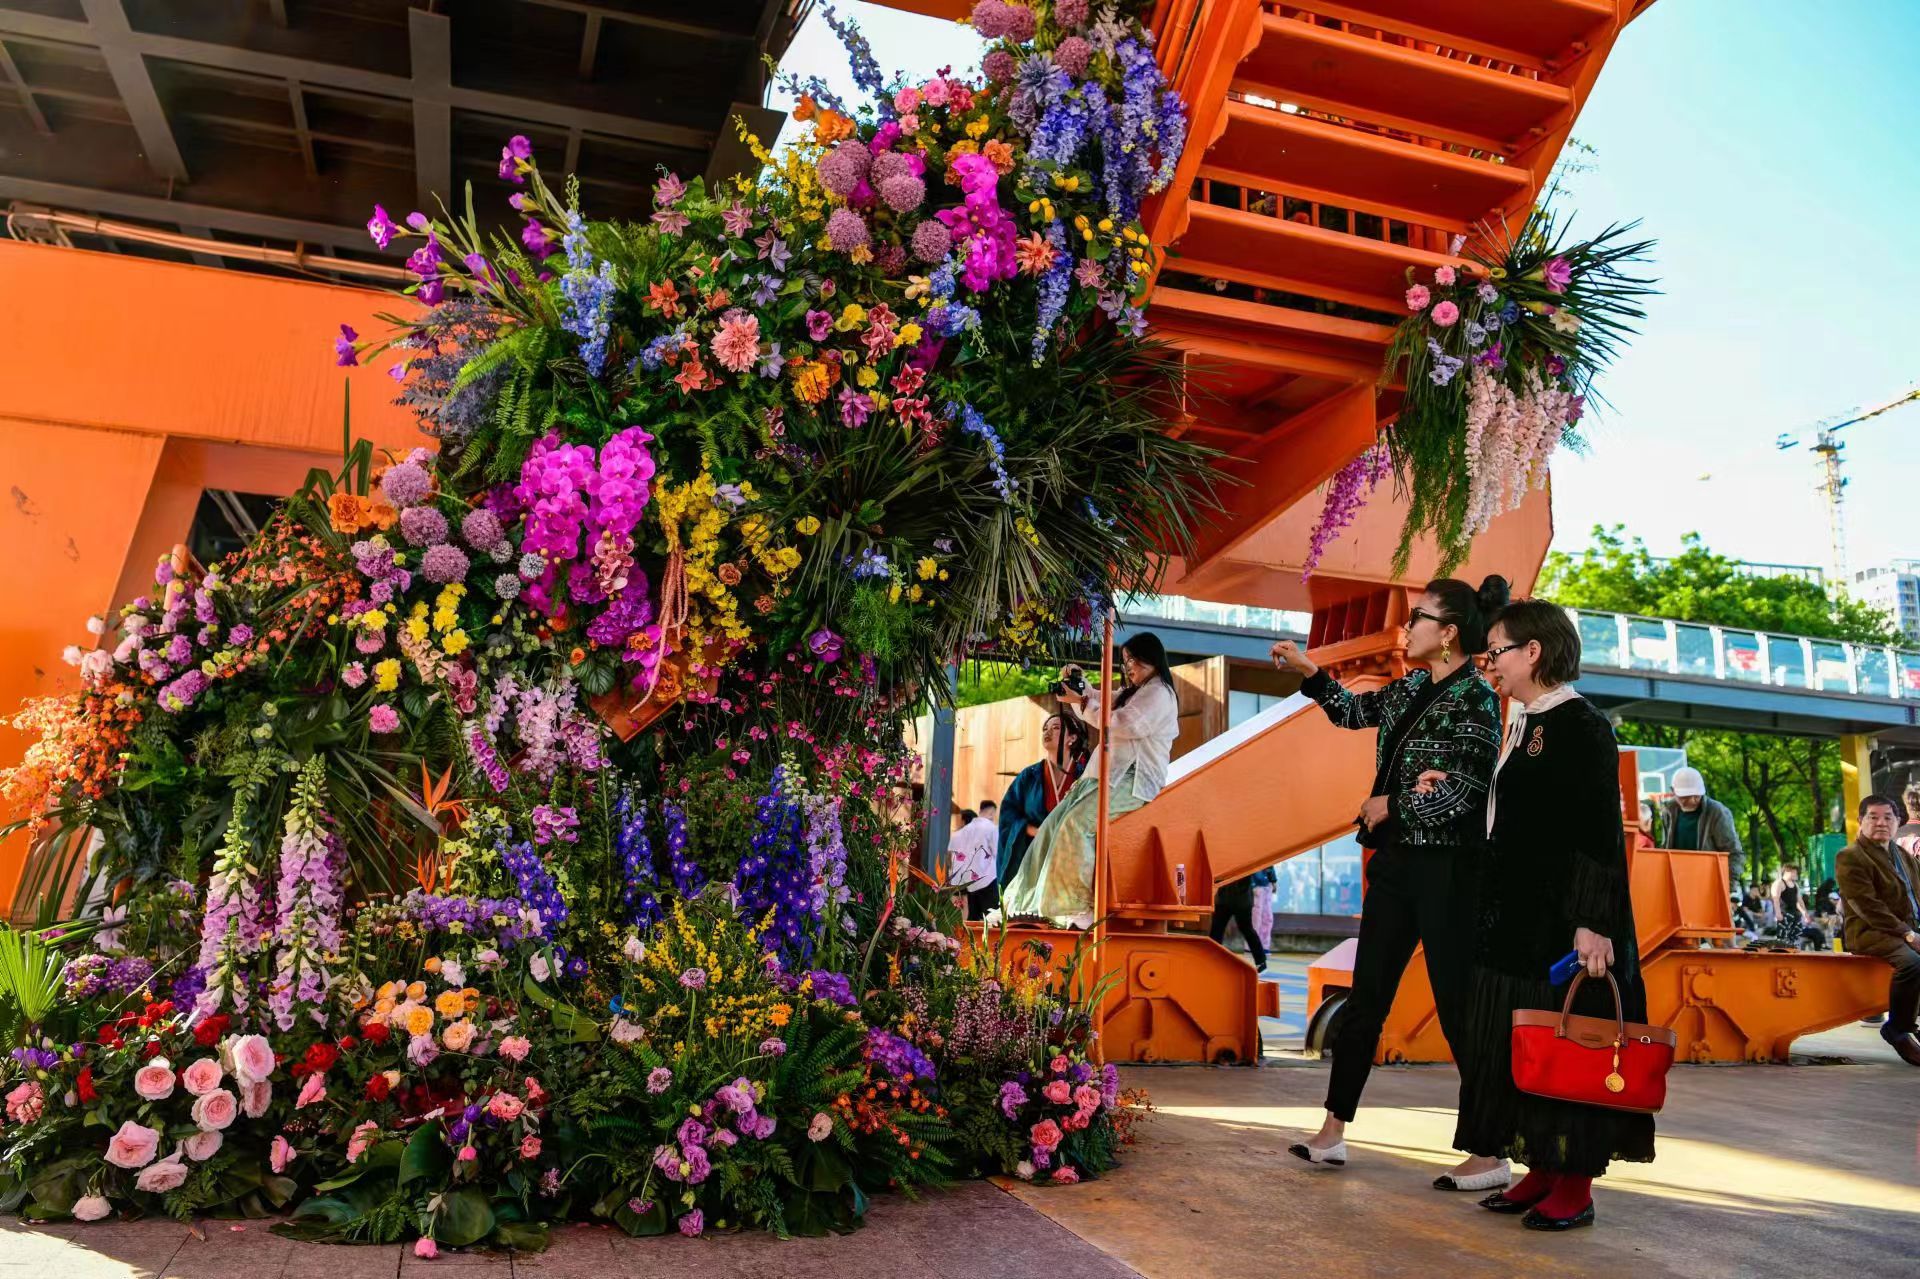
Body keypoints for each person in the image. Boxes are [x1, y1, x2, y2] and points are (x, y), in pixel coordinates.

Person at [1272, 576, 1508, 1191]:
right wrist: (1309, 670)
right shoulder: (1409, 687)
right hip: (1398, 866)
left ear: (1448, 632)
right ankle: (1332, 1131)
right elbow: (1353, 712)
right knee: (1367, 998)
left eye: (1419, 617)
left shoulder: (1478, 700)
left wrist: (1392, 806)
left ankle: (1490, 1150)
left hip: (1449, 871)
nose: (1407, 627)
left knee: (1457, 1007)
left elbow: (1464, 793)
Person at [1444, 598, 1654, 1232]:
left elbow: (1596, 832)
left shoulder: (1581, 725)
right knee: (1519, 1047)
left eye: (1497, 651)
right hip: (1513, 921)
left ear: (1533, 651)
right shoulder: (1527, 721)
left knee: (1570, 1048)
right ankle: (1540, 1167)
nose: (1489, 663)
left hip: (1560, 925)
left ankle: (1575, 1183)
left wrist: (1593, 921)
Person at [998, 633, 1180, 928]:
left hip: (1134, 779)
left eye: (1133, 659)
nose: (1128, 666)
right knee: (1051, 826)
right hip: (1105, 777)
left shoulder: (1160, 693)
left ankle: (1076, 907)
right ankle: (1027, 903)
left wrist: (1081, 701)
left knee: (1077, 824)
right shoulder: (1134, 692)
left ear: (1152, 659)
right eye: (1125, 661)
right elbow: (1099, 698)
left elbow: (1121, 724)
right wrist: (1080, 683)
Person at [1834, 799, 1920, 1067]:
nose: (1881, 823)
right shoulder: (1850, 857)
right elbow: (1868, 907)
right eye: (1873, 817)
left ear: (1898, 822)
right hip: (1869, 932)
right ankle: (1898, 1029)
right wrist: (1909, 935)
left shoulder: (1903, 856)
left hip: (1906, 929)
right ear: (1861, 821)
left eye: (1888, 817)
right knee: (1912, 962)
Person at [996, 713, 1089, 887]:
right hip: (1035, 857)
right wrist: (1034, 831)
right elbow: (1008, 814)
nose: (1048, 732)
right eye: (1045, 728)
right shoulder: (1029, 776)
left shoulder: (1085, 776)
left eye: (1056, 728)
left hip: (1072, 858)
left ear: (1072, 738)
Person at [1661, 767, 1746, 885]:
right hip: (1676, 880)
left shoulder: (1717, 812)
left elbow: (1733, 852)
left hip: (1708, 882)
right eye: (1685, 797)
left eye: (1696, 796)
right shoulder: (1669, 811)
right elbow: (1665, 847)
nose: (1692, 800)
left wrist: (1728, 886)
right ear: (1673, 791)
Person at [946, 805, 1001, 920]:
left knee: (967, 914)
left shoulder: (957, 835)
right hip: (983, 880)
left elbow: (949, 858)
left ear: (963, 820)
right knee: (990, 916)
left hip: (960, 880)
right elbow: (996, 853)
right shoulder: (987, 829)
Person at [1210, 871, 1269, 971]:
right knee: (1217, 930)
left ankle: (1261, 961)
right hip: (1233, 898)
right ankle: (1261, 962)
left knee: (1218, 930)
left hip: (1237, 898)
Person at [1769, 864, 1812, 946]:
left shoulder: (1795, 884)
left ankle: (1792, 950)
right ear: (1787, 872)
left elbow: (1799, 900)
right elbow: (1775, 899)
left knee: (1795, 937)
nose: (1796, 874)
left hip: (1795, 914)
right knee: (1782, 938)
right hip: (1784, 914)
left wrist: (1805, 913)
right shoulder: (1779, 883)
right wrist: (1778, 913)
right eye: (1794, 872)